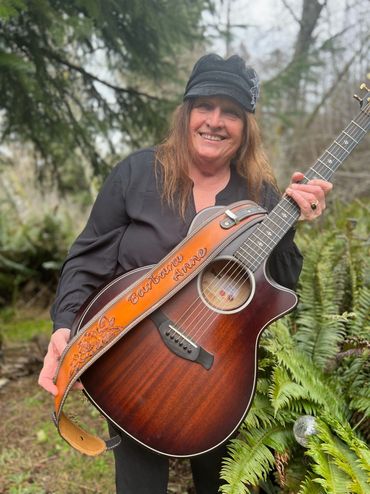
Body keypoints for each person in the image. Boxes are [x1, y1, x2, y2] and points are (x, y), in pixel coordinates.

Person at [38, 53, 332, 493]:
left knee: (221, 483)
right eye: (204, 106)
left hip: (219, 373)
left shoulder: (261, 194)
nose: (215, 121)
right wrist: (66, 326)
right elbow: (87, 258)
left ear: (246, 127)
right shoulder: (137, 175)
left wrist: (292, 223)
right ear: (186, 114)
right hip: (131, 360)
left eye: (230, 112)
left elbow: (281, 287)